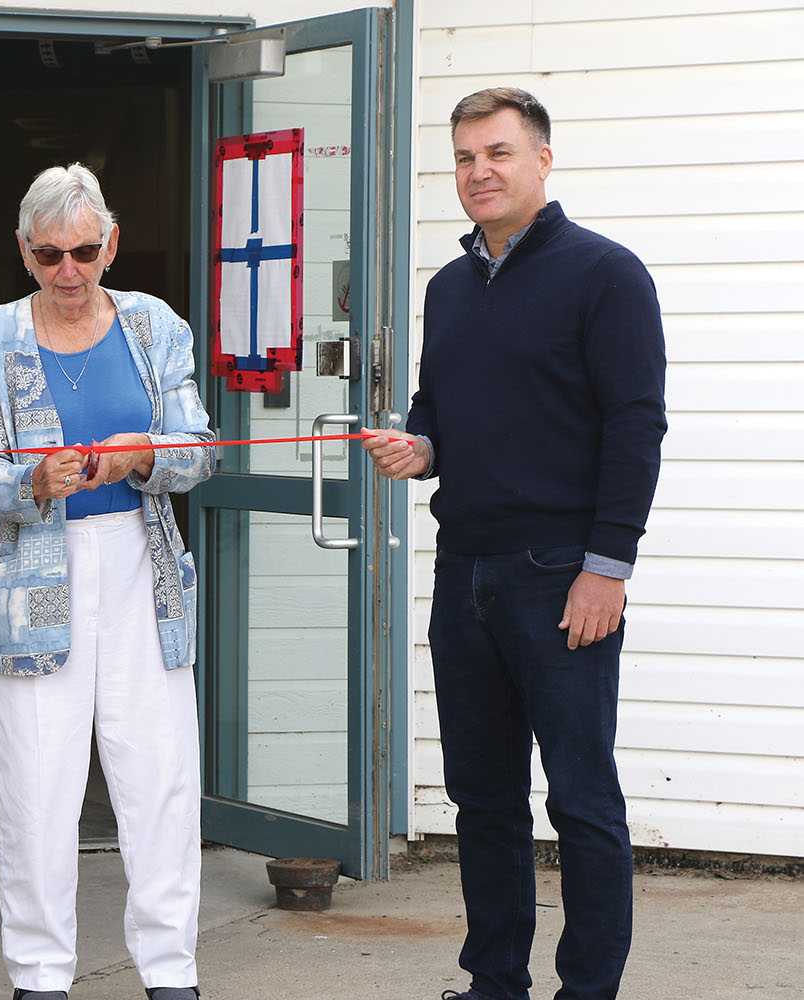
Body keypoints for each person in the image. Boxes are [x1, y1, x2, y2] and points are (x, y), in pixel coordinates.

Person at [362, 89, 666, 1000]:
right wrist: (418, 450)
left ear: (541, 159)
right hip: (467, 577)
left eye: (497, 153)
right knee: (483, 801)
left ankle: (588, 992)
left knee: (581, 803)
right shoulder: (448, 289)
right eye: (463, 158)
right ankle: (496, 982)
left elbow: (636, 426)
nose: (478, 173)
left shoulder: (606, 275)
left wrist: (606, 569)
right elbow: (437, 412)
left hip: (560, 577)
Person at [0, 163, 216, 1000]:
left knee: (160, 777)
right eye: (49, 255)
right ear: (23, 252)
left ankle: (172, 974)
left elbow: (201, 447)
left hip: (142, 572)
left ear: (113, 244)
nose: (69, 271)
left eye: (86, 252)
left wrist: (147, 457)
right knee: (35, 785)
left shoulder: (153, 325)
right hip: (29, 583)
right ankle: (39, 978)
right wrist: (30, 484)